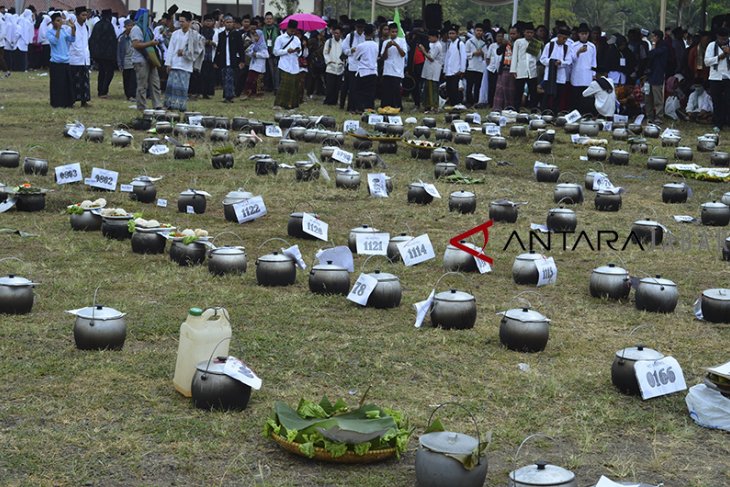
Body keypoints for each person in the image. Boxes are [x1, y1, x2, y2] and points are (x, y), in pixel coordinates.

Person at [163, 11, 201, 111]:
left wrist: (185, 53)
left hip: (186, 65)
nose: (181, 24)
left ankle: (180, 106)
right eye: (180, 21)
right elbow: (171, 49)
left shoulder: (194, 35)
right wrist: (168, 63)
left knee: (182, 87)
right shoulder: (175, 34)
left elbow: (198, 49)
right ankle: (170, 105)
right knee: (172, 86)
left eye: (183, 21)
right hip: (175, 64)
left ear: (189, 22)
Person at [130, 8, 163, 110]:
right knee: (142, 86)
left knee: (155, 83)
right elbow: (136, 44)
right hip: (141, 60)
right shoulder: (136, 29)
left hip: (151, 60)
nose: (149, 19)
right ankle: (141, 106)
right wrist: (151, 43)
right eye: (147, 17)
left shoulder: (148, 29)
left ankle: (157, 105)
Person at [540, 26, 572, 115]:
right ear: (558, 36)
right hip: (549, 75)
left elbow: (569, 61)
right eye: (563, 38)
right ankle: (544, 112)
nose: (564, 40)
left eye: (566, 39)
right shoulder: (549, 45)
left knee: (558, 96)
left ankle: (555, 113)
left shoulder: (567, 48)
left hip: (561, 76)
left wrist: (560, 63)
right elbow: (542, 59)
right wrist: (552, 62)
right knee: (547, 95)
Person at [213, 15, 244, 103]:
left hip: (233, 60)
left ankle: (229, 96)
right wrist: (216, 61)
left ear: (233, 23)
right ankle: (227, 95)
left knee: (230, 78)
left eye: (230, 22)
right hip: (223, 60)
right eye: (227, 22)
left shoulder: (237, 34)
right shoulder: (221, 35)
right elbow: (218, 49)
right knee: (225, 78)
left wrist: (242, 60)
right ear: (224, 23)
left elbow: (241, 48)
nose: (229, 24)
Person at [47, 12, 75, 107]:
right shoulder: (49, 32)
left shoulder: (63, 31)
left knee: (66, 83)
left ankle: (68, 102)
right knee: (57, 84)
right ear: (53, 22)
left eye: (60, 20)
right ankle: (57, 103)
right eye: (57, 21)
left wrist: (73, 28)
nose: (59, 22)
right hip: (56, 61)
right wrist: (58, 29)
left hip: (65, 60)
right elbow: (55, 41)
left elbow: (71, 39)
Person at [704, 28, 730, 132]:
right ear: (717, 37)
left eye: (725, 39)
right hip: (715, 77)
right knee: (716, 101)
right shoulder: (711, 45)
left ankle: (726, 121)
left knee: (727, 101)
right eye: (721, 39)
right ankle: (718, 124)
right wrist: (720, 56)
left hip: (728, 76)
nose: (723, 41)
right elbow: (707, 62)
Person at [273, 19, 302, 109]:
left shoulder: (297, 39)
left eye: (294, 30)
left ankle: (292, 105)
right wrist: (286, 51)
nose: (292, 32)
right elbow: (275, 52)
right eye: (291, 30)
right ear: (287, 28)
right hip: (284, 64)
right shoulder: (280, 38)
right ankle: (279, 104)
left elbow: (300, 53)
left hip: (294, 65)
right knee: (284, 84)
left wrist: (298, 51)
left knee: (294, 86)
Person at [510, 22, 540, 109]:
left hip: (532, 71)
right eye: (528, 32)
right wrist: (513, 70)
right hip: (520, 70)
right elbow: (515, 56)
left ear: (533, 33)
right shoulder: (518, 42)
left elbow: (538, 57)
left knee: (533, 92)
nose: (529, 34)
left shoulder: (536, 43)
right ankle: (516, 109)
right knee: (518, 91)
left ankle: (533, 109)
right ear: (524, 32)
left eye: (531, 33)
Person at [90, 9, 118, 98]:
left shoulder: (97, 25)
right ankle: (104, 91)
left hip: (98, 54)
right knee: (109, 72)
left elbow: (92, 39)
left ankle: (100, 90)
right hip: (107, 55)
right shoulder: (109, 26)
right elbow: (112, 41)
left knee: (102, 72)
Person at [570, 23, 597, 114]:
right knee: (576, 94)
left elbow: (594, 61)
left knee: (586, 95)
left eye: (585, 34)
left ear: (588, 34)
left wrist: (594, 74)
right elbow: (571, 59)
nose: (584, 36)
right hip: (577, 73)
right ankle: (575, 113)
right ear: (578, 34)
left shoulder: (592, 46)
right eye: (582, 34)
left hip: (588, 74)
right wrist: (579, 52)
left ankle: (585, 113)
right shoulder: (574, 45)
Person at [380, 22, 407, 109]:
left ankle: (397, 106)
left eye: (395, 32)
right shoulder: (385, 42)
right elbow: (383, 57)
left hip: (397, 70)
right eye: (392, 32)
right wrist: (387, 48)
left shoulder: (402, 41)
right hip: (388, 70)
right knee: (387, 90)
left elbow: (403, 54)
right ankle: (386, 106)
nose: (394, 33)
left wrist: (397, 46)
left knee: (396, 90)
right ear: (389, 32)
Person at [68, 6, 91, 107]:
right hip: (75, 58)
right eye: (82, 15)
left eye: (86, 15)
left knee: (84, 81)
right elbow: (69, 41)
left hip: (85, 58)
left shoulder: (86, 27)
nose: (84, 17)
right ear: (77, 16)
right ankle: (72, 100)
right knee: (74, 81)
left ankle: (84, 101)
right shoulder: (72, 27)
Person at [341, 19, 365, 110]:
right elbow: (344, 50)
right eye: (358, 27)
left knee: (360, 88)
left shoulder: (364, 37)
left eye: (362, 28)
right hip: (352, 65)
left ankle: (359, 106)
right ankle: (351, 106)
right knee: (352, 87)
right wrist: (351, 50)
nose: (360, 29)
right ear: (356, 27)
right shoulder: (349, 36)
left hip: (362, 66)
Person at [645, 30, 669, 124]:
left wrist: (654, 46)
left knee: (657, 98)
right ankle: (650, 116)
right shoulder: (657, 47)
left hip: (657, 75)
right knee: (648, 98)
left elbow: (653, 53)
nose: (652, 39)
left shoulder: (663, 47)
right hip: (650, 75)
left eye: (653, 36)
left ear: (657, 37)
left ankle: (659, 117)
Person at [353, 23, 378, 111]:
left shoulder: (361, 46)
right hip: (373, 71)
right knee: (370, 92)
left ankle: (359, 108)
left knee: (360, 91)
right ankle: (370, 108)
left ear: (364, 33)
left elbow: (355, 57)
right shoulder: (376, 45)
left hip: (363, 71)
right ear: (373, 33)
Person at [492, 26, 517, 111]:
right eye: (511, 34)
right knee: (500, 90)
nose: (512, 36)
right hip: (503, 68)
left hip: (512, 69)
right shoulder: (505, 43)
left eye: (514, 34)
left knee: (509, 90)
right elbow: (498, 52)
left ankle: (508, 107)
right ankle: (497, 107)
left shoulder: (518, 43)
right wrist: (504, 44)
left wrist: (512, 45)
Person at [419, 29, 443, 112]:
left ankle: (434, 106)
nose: (429, 39)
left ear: (435, 37)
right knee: (427, 88)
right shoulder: (432, 44)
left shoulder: (437, 45)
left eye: (430, 37)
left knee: (433, 88)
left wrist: (423, 51)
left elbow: (431, 58)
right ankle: (427, 105)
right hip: (429, 69)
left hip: (434, 69)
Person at [464, 23, 488, 107]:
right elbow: (465, 54)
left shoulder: (483, 43)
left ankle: (476, 101)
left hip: (480, 67)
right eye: (477, 30)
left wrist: (482, 54)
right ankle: (468, 102)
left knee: (478, 86)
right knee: (469, 86)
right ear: (474, 31)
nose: (479, 32)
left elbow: (486, 56)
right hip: (471, 66)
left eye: (481, 31)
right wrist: (473, 53)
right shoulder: (469, 42)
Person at [443, 25, 466, 106]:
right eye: (450, 33)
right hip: (449, 71)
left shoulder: (460, 44)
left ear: (457, 34)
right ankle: (452, 104)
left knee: (454, 89)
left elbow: (463, 57)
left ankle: (456, 104)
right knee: (449, 89)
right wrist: (445, 70)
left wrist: (462, 70)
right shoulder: (450, 44)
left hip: (456, 70)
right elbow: (447, 58)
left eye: (453, 33)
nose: (451, 35)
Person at [243, 29, 269, 98]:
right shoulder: (253, 45)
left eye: (257, 36)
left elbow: (266, 55)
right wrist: (252, 54)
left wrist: (257, 54)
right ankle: (249, 93)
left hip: (260, 66)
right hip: (253, 65)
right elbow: (247, 52)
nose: (255, 37)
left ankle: (259, 95)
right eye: (254, 36)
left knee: (259, 81)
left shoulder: (263, 46)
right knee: (250, 79)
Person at [323, 26, 344, 105]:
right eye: (335, 33)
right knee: (330, 85)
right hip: (330, 67)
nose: (336, 35)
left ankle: (334, 101)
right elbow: (325, 53)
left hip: (339, 67)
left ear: (341, 34)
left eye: (338, 33)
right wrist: (329, 62)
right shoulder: (329, 42)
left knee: (337, 86)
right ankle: (328, 100)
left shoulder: (343, 43)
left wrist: (342, 62)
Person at [117, 19, 137, 101]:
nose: (130, 27)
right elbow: (118, 52)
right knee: (126, 79)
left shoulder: (135, 37)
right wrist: (119, 63)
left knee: (133, 79)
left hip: (134, 60)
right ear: (125, 27)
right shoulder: (121, 38)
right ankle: (128, 95)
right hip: (125, 61)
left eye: (131, 26)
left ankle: (132, 95)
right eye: (128, 26)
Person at [199, 14, 216, 99]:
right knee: (202, 75)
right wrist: (206, 42)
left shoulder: (214, 31)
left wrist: (211, 42)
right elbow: (199, 40)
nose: (208, 23)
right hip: (202, 56)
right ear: (203, 22)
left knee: (210, 75)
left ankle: (208, 93)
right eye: (207, 21)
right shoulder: (201, 31)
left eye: (210, 21)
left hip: (211, 56)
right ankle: (201, 92)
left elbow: (216, 42)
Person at [485, 29, 504, 106]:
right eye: (498, 36)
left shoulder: (505, 46)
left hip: (501, 70)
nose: (500, 38)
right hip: (492, 69)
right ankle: (490, 102)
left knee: (499, 87)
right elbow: (488, 57)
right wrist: (489, 66)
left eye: (502, 36)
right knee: (491, 87)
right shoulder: (492, 46)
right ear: (495, 37)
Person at [262, 11, 280, 91]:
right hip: (264, 53)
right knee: (266, 72)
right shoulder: (261, 30)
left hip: (274, 54)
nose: (269, 20)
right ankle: (267, 87)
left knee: (275, 72)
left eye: (270, 19)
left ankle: (276, 87)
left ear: (273, 20)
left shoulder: (277, 30)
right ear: (264, 20)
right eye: (267, 19)